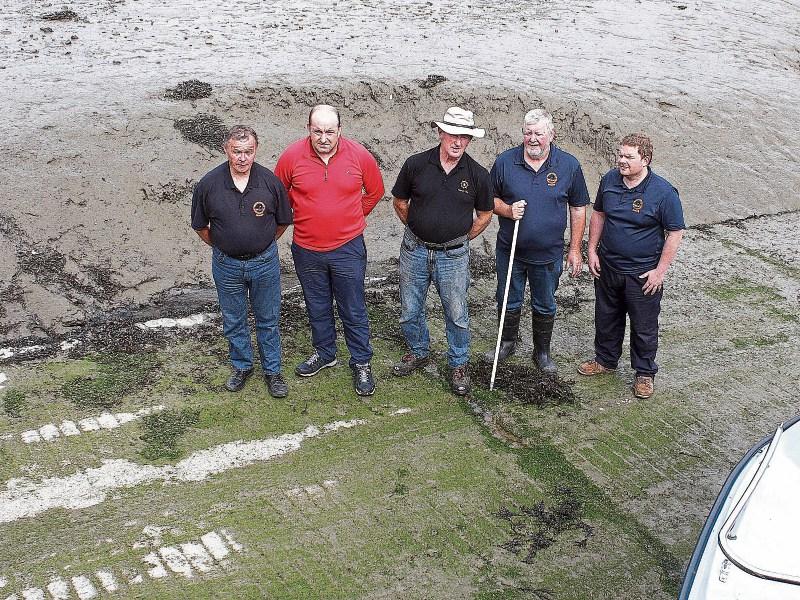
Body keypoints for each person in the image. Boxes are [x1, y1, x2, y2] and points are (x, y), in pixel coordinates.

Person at [274, 105, 385, 396]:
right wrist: (304, 213)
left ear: (340, 131)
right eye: (317, 131)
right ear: (308, 129)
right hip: (306, 249)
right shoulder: (291, 157)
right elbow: (279, 194)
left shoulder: (359, 155)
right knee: (317, 305)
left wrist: (351, 217)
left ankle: (361, 361)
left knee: (353, 307)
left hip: (348, 248)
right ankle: (325, 352)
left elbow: (375, 192)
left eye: (329, 132)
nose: (323, 138)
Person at [390, 107, 494, 396]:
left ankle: (459, 363)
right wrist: (418, 228)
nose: (458, 142)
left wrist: (459, 238)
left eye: (464, 137)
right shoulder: (415, 164)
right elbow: (399, 202)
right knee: (410, 309)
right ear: (440, 133)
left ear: (470, 140)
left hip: (454, 256)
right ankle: (418, 351)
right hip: (414, 250)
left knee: (457, 313)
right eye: (452, 135)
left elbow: (485, 215)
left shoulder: (478, 174)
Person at [578, 133, 685, 399]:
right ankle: (605, 360)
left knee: (644, 327)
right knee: (606, 318)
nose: (621, 160)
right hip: (608, 267)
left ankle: (644, 374)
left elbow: (675, 233)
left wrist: (660, 272)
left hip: (643, 274)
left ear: (645, 160)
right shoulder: (609, 181)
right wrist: (591, 250)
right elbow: (599, 214)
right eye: (620, 154)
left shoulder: (663, 192)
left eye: (628, 156)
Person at [191, 125, 293, 398]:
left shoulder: (270, 182)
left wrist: (260, 243)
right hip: (226, 266)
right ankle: (242, 366)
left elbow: (283, 222)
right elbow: (200, 226)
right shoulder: (208, 185)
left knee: (268, 319)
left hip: (264, 264)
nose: (243, 158)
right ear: (226, 149)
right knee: (234, 319)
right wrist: (225, 246)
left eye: (248, 151)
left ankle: (273, 371)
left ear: (256, 150)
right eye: (237, 151)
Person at [487, 109, 589, 372]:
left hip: (548, 254)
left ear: (551, 135)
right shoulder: (505, 162)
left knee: (544, 303)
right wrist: (507, 210)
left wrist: (575, 249)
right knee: (507, 299)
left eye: (539, 134)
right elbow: (488, 200)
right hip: (510, 251)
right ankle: (506, 344)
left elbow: (578, 208)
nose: (533, 139)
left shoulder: (569, 165)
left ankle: (541, 352)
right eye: (528, 133)